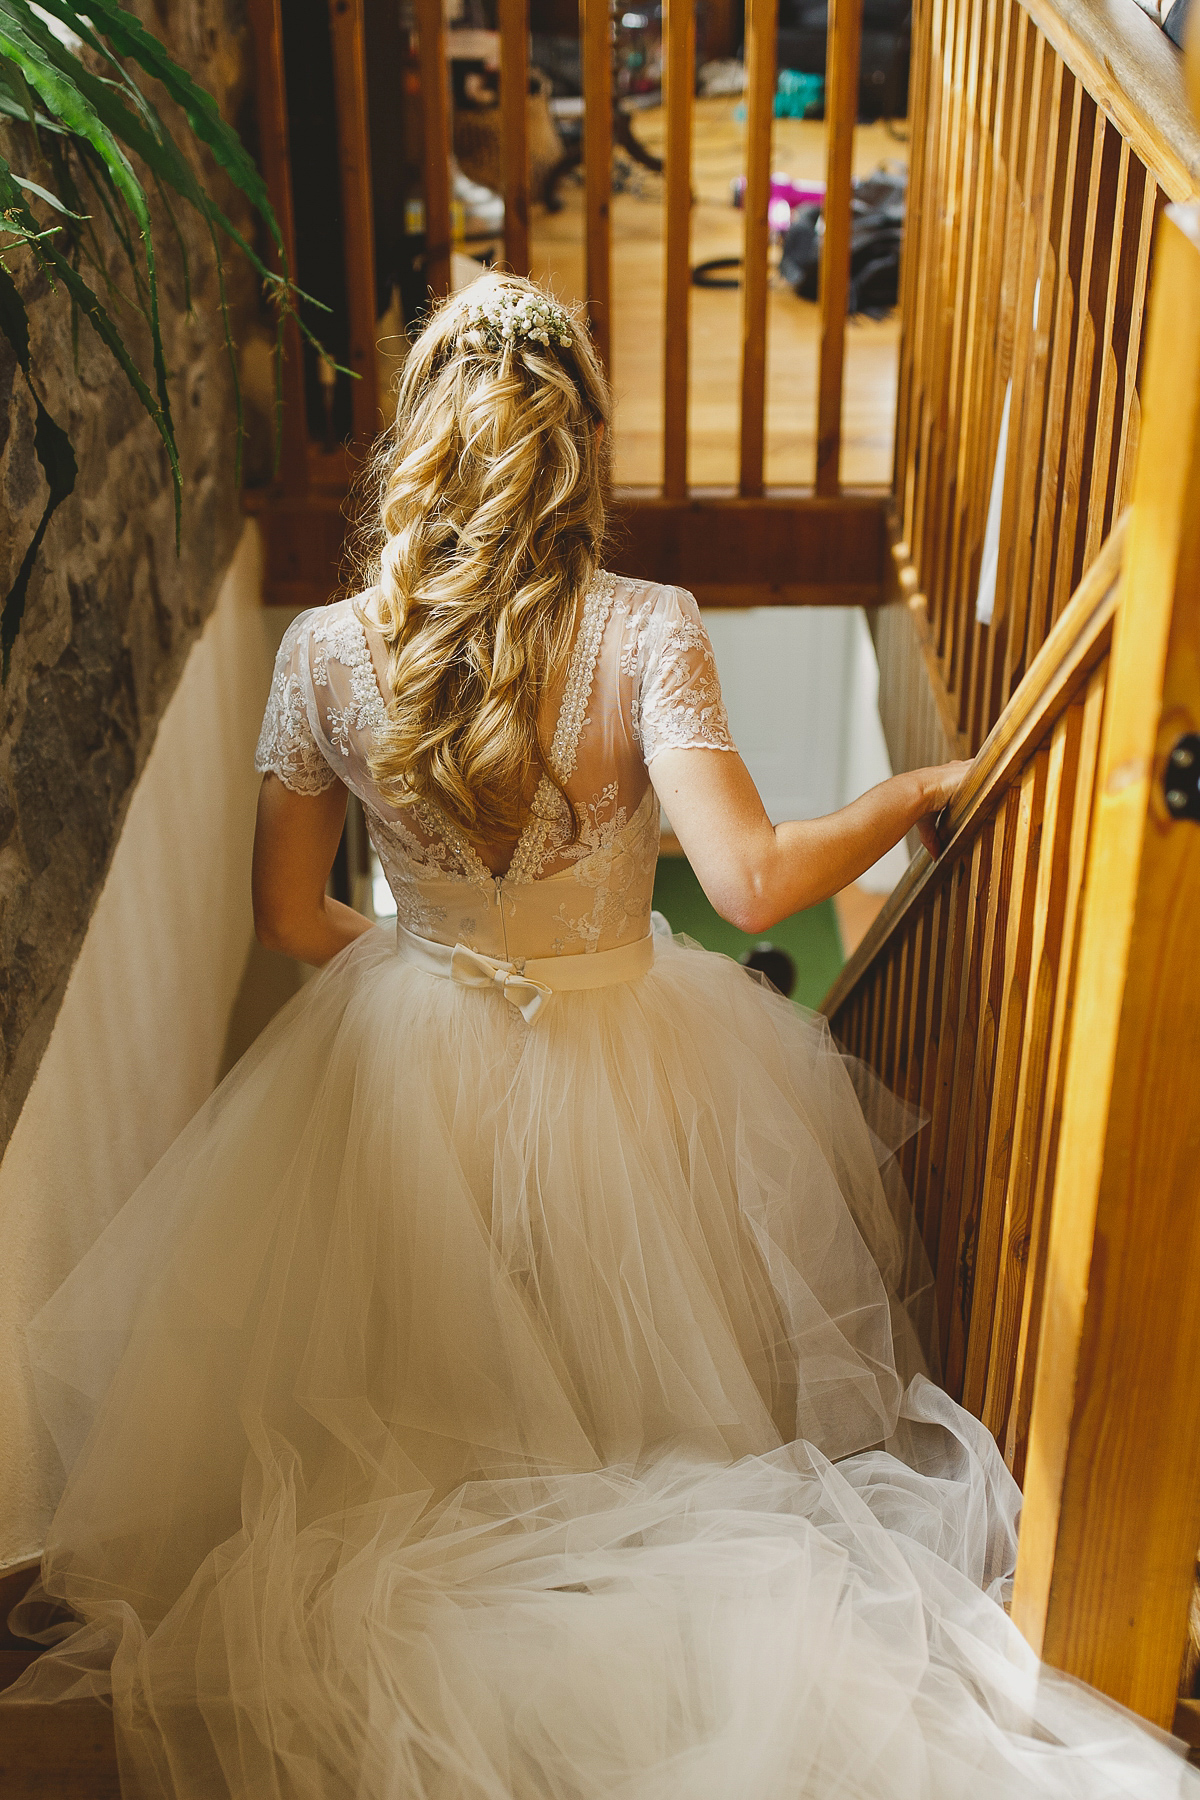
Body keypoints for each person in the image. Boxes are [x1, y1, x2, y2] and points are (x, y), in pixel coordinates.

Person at [5, 275, 1194, 1799]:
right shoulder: (645, 634)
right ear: (580, 447)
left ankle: (462, 1626)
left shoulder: (323, 653)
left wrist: (436, 960)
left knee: (417, 1388)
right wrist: (908, 796)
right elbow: (756, 882)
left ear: (421, 438)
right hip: (631, 1047)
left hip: (399, 1056)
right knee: (637, 1380)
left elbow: (293, 923)